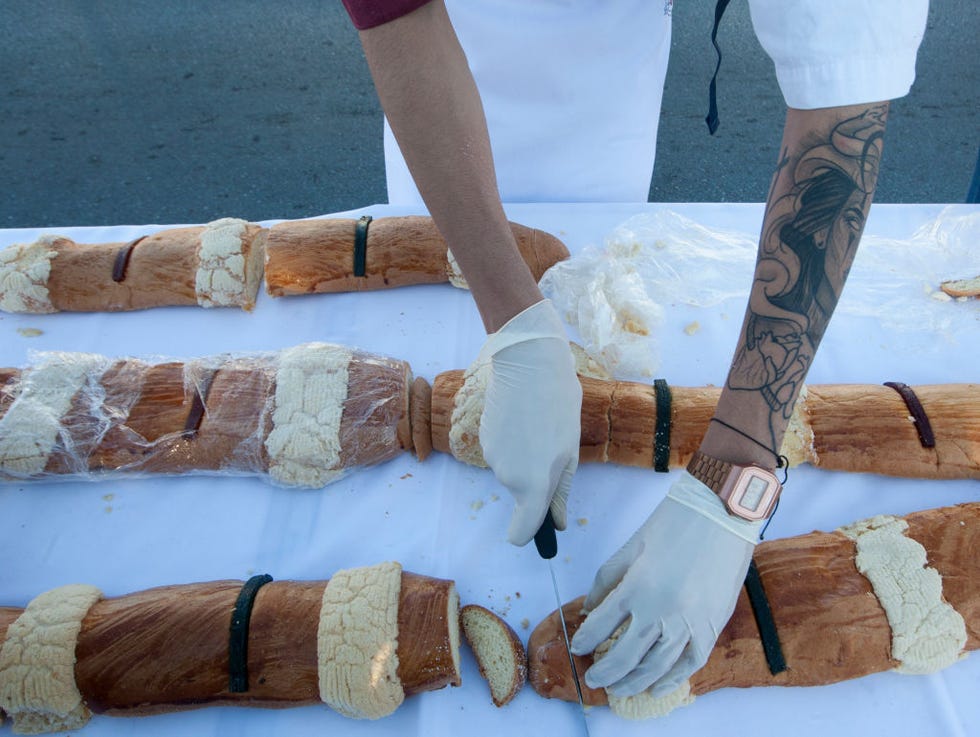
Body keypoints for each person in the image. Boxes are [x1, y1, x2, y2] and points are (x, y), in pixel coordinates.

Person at [340, 0, 928, 701]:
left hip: (606, 57)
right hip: (434, 75)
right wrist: (514, 319)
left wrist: (736, 472)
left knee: (598, 205)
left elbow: (842, 110)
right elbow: (395, 12)